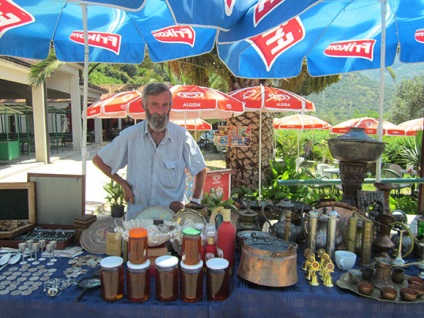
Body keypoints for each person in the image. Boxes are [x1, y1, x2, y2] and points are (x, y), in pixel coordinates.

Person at [93, 83, 207, 220]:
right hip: (137, 219)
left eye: (165, 105)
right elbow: (99, 160)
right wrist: (123, 183)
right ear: (144, 105)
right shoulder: (131, 135)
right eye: (154, 105)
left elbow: (200, 170)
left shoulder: (181, 136)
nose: (160, 111)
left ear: (170, 106)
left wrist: (194, 201)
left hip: (171, 221)